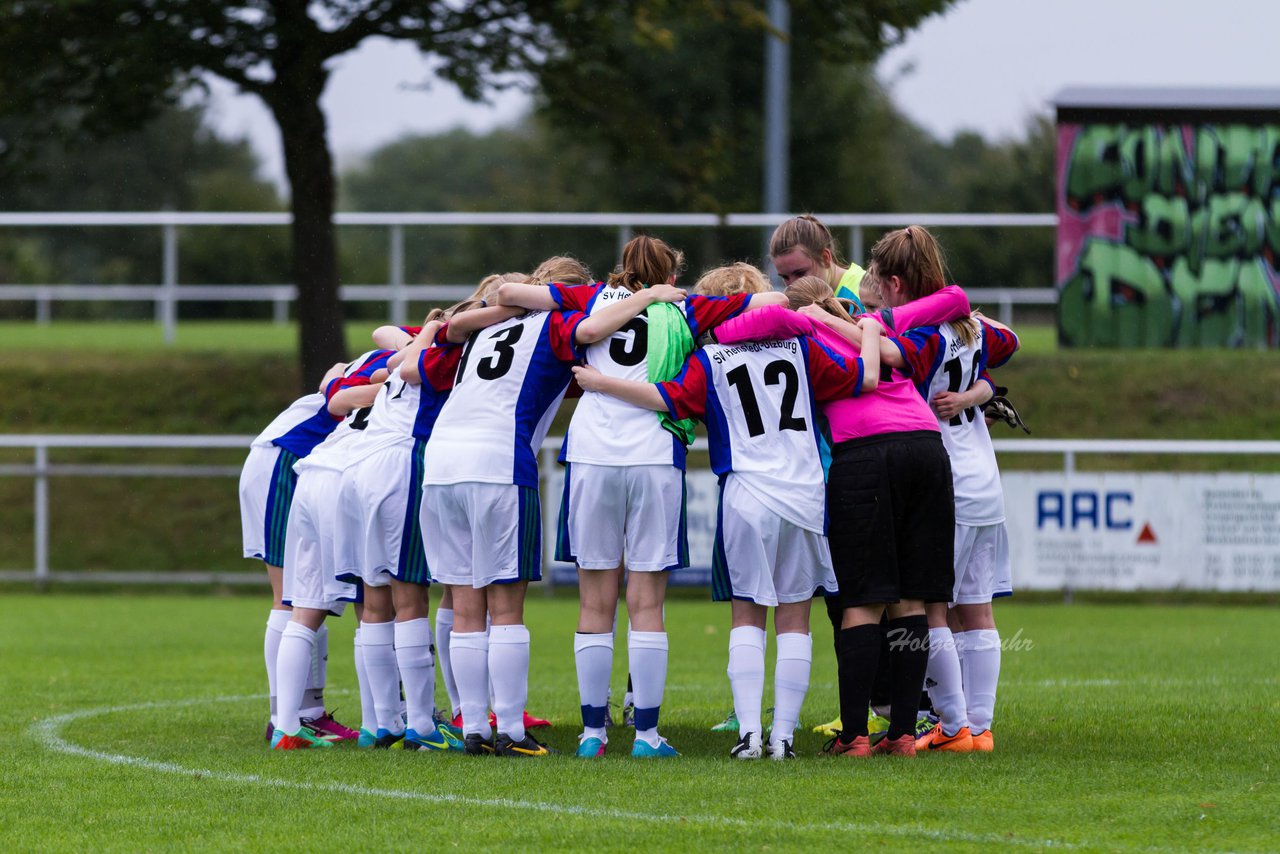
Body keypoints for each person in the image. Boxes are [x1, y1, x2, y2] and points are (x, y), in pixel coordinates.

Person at [572, 265, 874, 761]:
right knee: (796, 620)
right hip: (803, 494)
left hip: (747, 494)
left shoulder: (711, 356)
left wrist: (601, 384)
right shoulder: (801, 344)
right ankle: (784, 740)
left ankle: (750, 735)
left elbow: (663, 397)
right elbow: (860, 377)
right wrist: (867, 331)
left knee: (746, 618)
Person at [498, 241, 786, 759]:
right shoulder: (685, 307)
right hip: (655, 455)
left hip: (591, 456)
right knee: (647, 602)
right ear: (671, 272)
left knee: (594, 600)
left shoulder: (587, 297)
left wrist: (625, 298)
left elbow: (509, 291)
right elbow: (770, 304)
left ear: (622, 269)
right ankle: (648, 736)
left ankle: (592, 734)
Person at [710, 229, 966, 758]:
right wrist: (834, 316)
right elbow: (957, 299)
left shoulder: (804, 341)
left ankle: (853, 735)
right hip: (926, 446)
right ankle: (901, 732)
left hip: (868, 454)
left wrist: (798, 314)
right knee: (911, 598)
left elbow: (734, 328)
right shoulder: (869, 321)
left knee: (862, 600)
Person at [422, 263, 688, 758]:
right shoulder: (559, 322)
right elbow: (594, 332)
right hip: (497, 460)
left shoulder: (479, 330)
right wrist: (651, 296)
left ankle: (473, 727)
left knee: (462, 602)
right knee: (505, 606)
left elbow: (450, 330)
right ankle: (513, 734)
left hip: (439, 463)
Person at [887, 309, 1019, 753]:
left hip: (948, 484)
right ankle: (980, 729)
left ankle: (953, 726)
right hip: (985, 482)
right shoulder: (970, 329)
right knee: (978, 611)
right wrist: (975, 393)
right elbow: (1011, 342)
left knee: (931, 608)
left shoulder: (919, 335)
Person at [271, 347, 397, 750]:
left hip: (312, 472)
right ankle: (378, 725)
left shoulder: (373, 362)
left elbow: (335, 394)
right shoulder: (428, 369)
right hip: (352, 478)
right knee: (374, 607)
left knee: (304, 610)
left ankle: (286, 727)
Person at [239, 359, 356, 744]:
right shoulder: (414, 355)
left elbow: (334, 371)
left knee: (306, 594)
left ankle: (305, 712)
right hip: (287, 459)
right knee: (292, 598)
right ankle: (285, 716)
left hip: (288, 458)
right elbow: (337, 392)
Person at [769, 214, 867, 311]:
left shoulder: (865, 294)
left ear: (825, 258)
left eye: (800, 273)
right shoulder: (791, 304)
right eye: (785, 277)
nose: (793, 286)